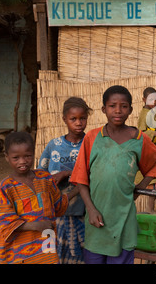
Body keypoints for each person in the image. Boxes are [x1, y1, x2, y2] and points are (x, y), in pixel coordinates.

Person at [70, 85, 156, 264]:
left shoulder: (138, 139)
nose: (118, 111)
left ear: (130, 109)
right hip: (96, 219)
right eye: (112, 106)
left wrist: (140, 188)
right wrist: (90, 209)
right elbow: (81, 179)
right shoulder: (92, 138)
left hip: (124, 218)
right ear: (104, 109)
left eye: (123, 106)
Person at [0, 131, 77, 264]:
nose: (22, 161)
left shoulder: (44, 178)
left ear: (34, 154)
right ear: (6, 157)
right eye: (16, 158)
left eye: (27, 156)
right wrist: (35, 225)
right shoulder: (6, 187)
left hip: (47, 249)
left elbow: (58, 205)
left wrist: (78, 189)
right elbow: (6, 223)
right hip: (20, 254)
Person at [37, 97, 92, 264]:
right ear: (64, 119)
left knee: (83, 254)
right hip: (57, 213)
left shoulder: (91, 144)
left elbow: (95, 173)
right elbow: (41, 174)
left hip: (84, 210)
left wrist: (66, 173)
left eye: (82, 118)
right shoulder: (54, 146)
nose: (78, 123)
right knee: (56, 254)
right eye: (73, 119)